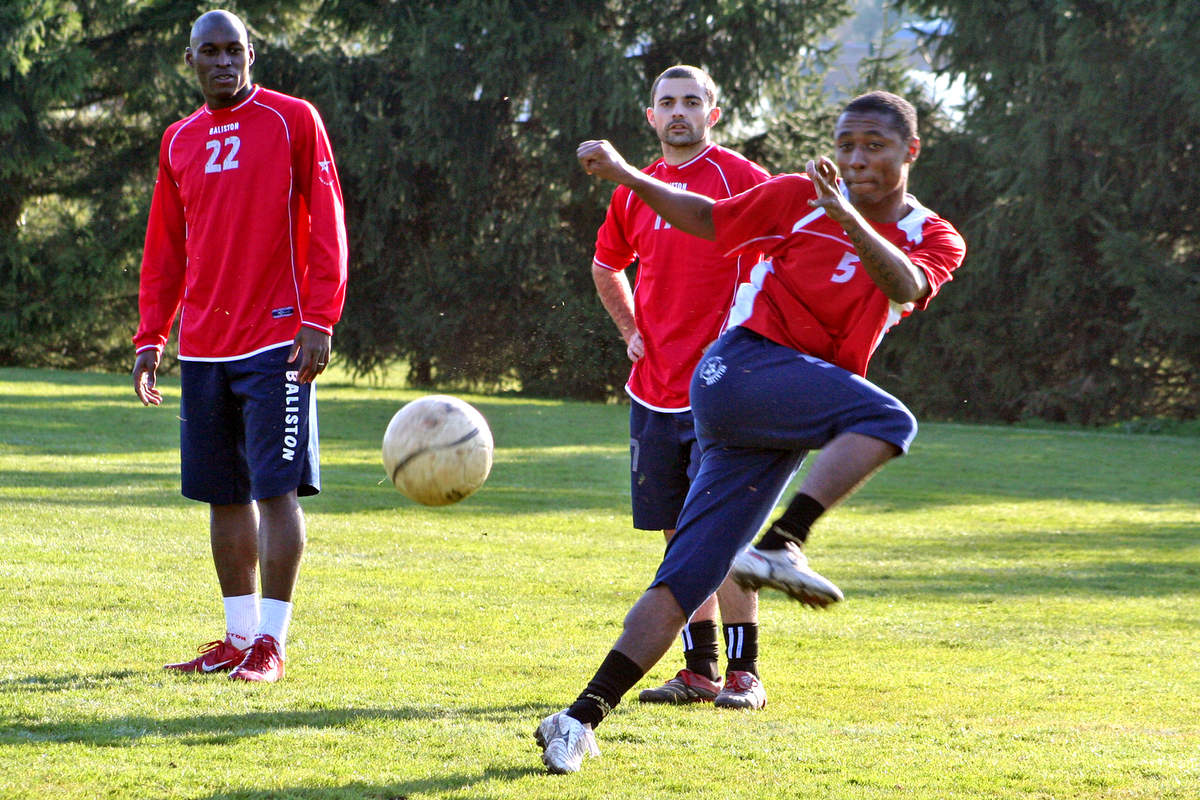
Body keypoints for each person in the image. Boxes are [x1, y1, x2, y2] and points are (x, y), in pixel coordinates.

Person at [536, 90, 966, 772]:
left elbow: (907, 286)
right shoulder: (797, 194)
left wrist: (847, 216)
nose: (856, 159)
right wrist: (625, 174)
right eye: (846, 144)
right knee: (888, 417)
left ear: (910, 151)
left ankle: (578, 716)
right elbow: (705, 218)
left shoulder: (934, 235)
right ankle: (785, 544)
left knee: (688, 576)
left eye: (874, 147)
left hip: (784, 412)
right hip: (737, 371)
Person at [590, 64, 842, 713]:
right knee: (679, 537)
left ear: (714, 112)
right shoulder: (634, 190)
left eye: (691, 101)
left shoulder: (741, 180)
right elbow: (605, 265)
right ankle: (697, 672)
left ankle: (745, 673)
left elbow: (798, 250)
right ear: (650, 117)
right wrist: (630, 329)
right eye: (666, 103)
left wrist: (763, 340)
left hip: (726, 393)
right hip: (653, 391)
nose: (678, 112)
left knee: (725, 536)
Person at [131, 10, 348, 684]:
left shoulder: (291, 119)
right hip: (203, 347)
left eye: (234, 50)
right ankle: (234, 637)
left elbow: (328, 219)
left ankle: (271, 645)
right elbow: (164, 249)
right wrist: (150, 337)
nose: (223, 62)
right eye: (209, 52)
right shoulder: (178, 139)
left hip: (276, 339)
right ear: (190, 61)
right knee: (224, 497)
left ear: (251, 54)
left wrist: (319, 316)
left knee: (277, 492)